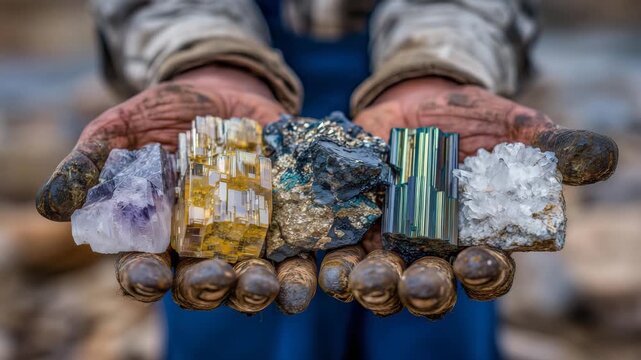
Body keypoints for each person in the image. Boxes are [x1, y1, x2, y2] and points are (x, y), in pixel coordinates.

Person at [36, 0, 617, 359]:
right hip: (236, 71)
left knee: (428, 327)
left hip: (414, 85)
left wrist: (439, 64)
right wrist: (202, 57)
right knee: (229, 322)